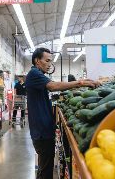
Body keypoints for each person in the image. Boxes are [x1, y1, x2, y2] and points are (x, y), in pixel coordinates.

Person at [25, 48, 100, 179]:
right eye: (47, 60)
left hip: (43, 129)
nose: (49, 64)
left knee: (44, 167)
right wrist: (80, 82)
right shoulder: (34, 74)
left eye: (51, 61)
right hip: (41, 131)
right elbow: (53, 86)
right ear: (37, 61)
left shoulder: (38, 74)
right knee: (46, 170)